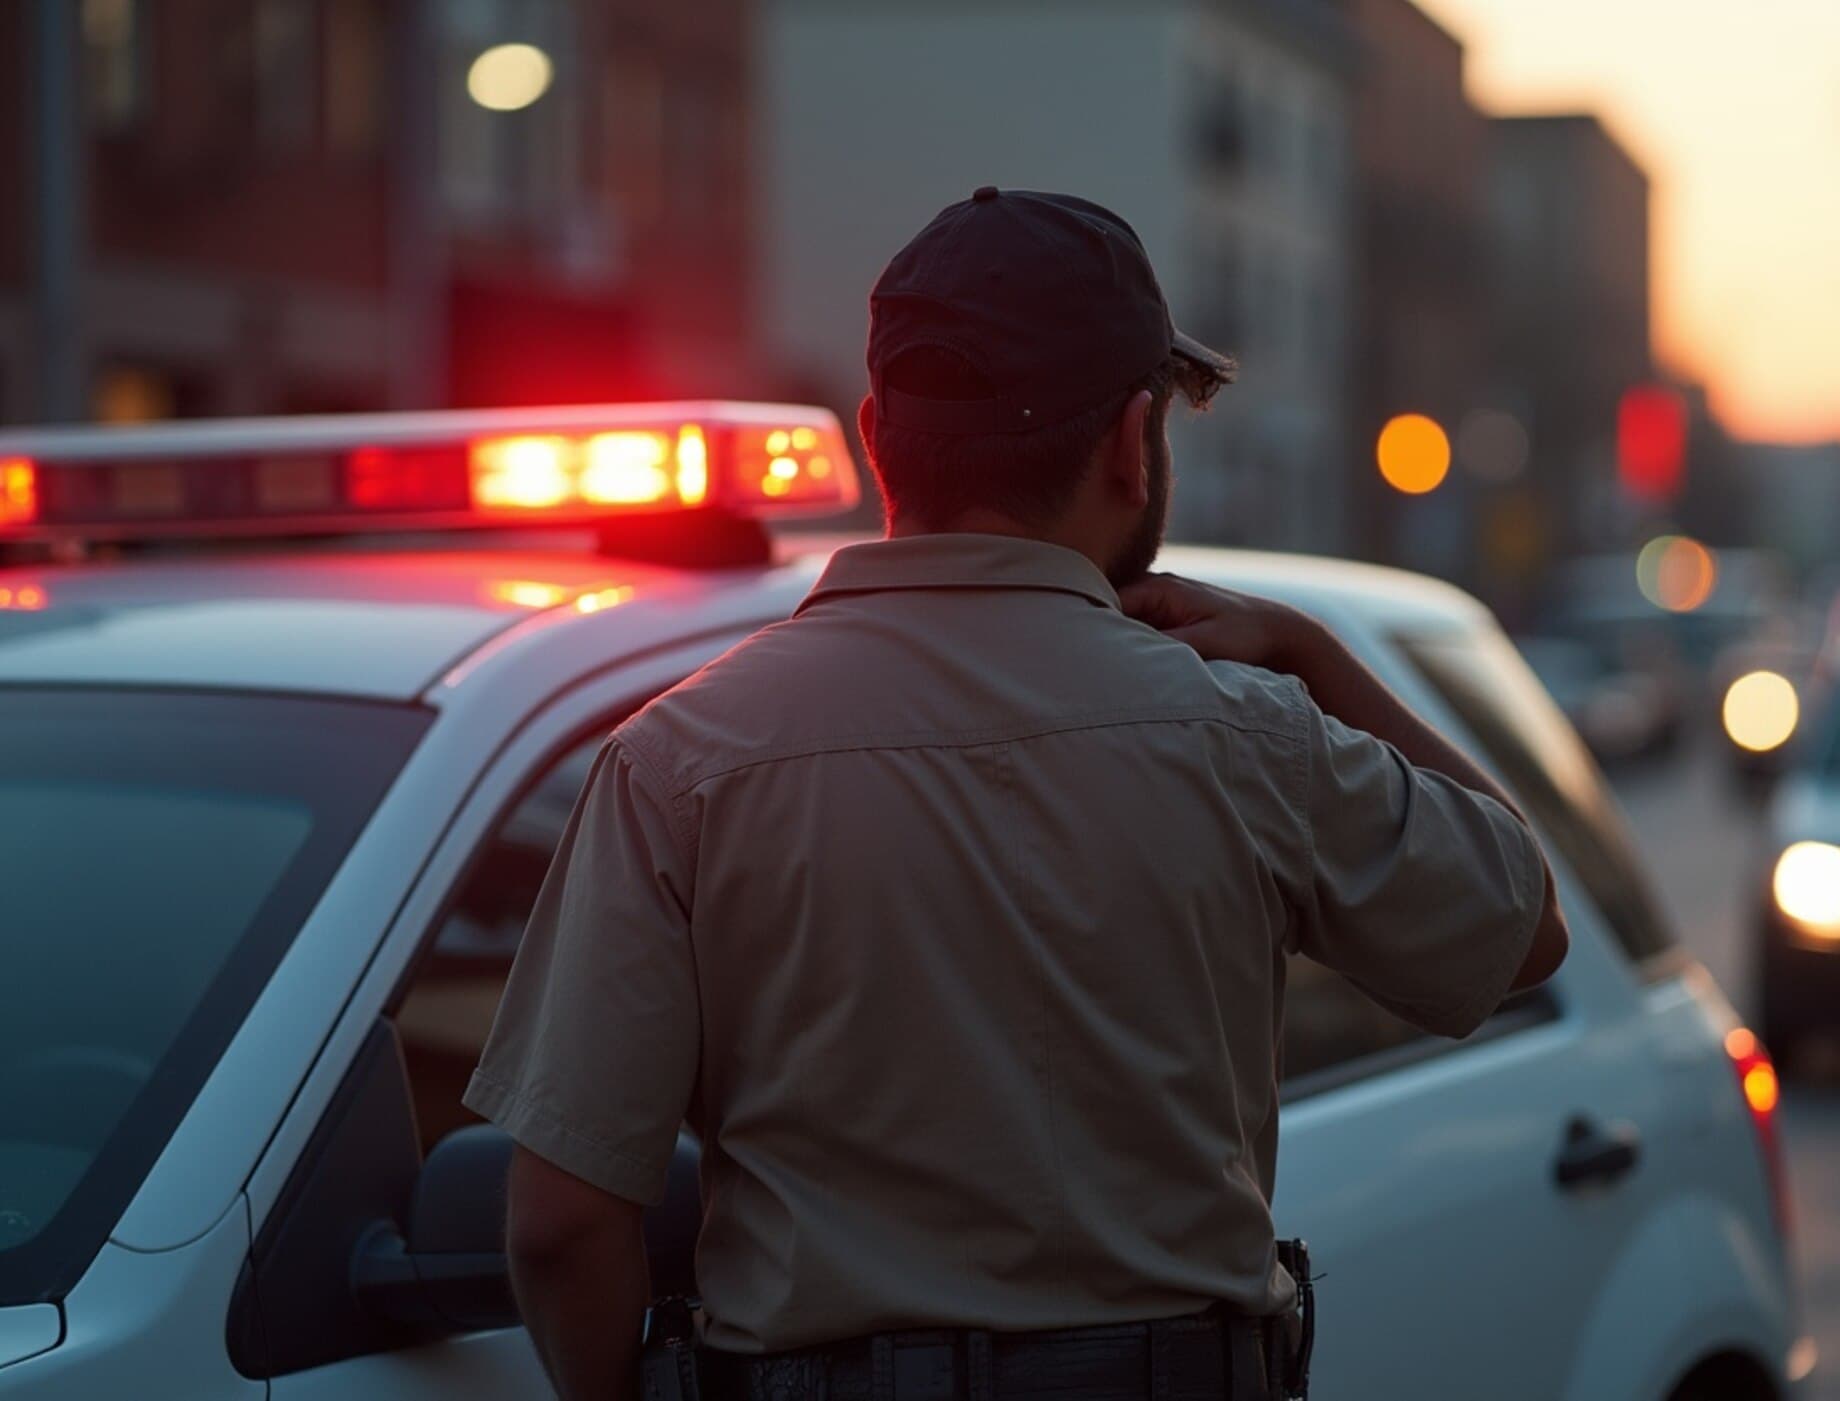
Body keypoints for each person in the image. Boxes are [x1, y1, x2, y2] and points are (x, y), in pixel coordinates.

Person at [463, 187, 1568, 1401]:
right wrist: (1311, 651)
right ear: (1129, 443)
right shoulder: (1246, 736)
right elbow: (1521, 929)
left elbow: (560, 1224)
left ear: (877, 436)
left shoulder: (676, 762)